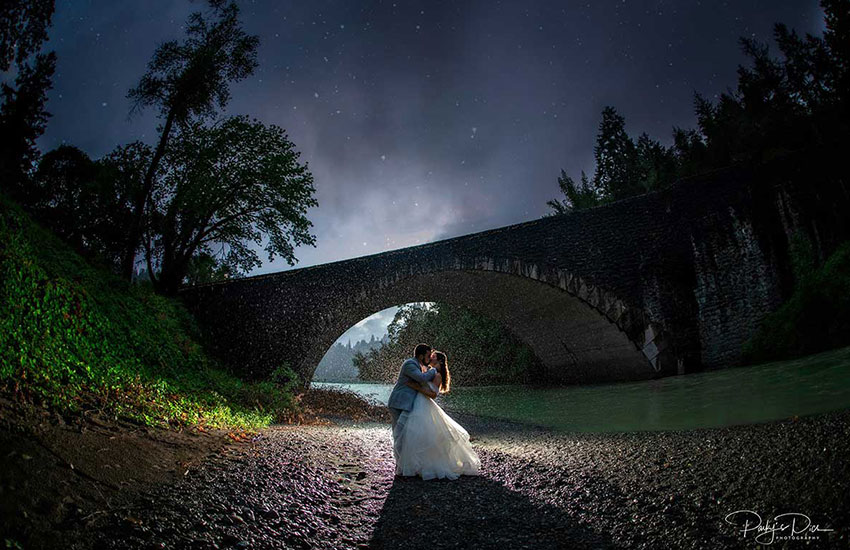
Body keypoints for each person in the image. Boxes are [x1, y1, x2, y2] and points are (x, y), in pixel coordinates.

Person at [396, 350, 480, 480]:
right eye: (430, 355)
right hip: (418, 403)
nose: (430, 358)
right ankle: (414, 465)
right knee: (415, 434)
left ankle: (425, 465)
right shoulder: (430, 371)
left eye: (433, 357)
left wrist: (415, 387)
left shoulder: (438, 375)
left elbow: (433, 394)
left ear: (439, 360)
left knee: (422, 434)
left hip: (423, 404)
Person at [387, 343, 438, 473]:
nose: (429, 358)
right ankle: (400, 466)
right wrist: (434, 370)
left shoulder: (419, 365)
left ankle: (403, 465)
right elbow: (421, 378)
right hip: (399, 403)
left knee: (404, 435)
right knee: (399, 435)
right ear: (421, 356)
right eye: (427, 355)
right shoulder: (410, 364)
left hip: (406, 404)